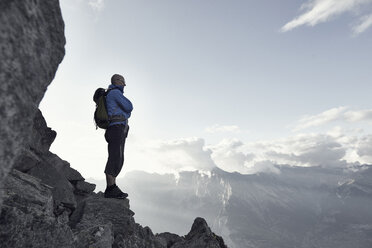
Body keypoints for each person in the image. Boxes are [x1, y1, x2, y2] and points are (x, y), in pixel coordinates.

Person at [103, 74, 133, 199]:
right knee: (115, 156)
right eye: (123, 81)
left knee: (118, 156)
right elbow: (129, 106)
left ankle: (112, 187)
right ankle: (110, 188)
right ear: (116, 81)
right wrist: (126, 111)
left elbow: (127, 110)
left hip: (117, 128)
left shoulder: (113, 93)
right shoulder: (115, 93)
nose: (124, 84)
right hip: (116, 128)